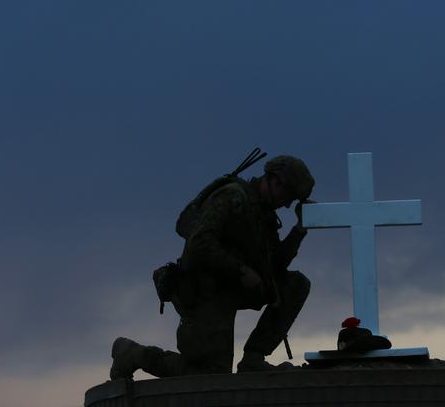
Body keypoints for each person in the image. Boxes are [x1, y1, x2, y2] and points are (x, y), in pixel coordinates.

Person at [110, 155, 315, 379]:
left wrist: (299, 230)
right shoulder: (232, 197)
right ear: (276, 181)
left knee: (295, 284)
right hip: (205, 293)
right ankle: (134, 354)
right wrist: (241, 270)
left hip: (232, 289)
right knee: (210, 375)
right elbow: (199, 244)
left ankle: (253, 359)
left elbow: (273, 268)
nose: (287, 204)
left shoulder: (262, 214)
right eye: (288, 196)